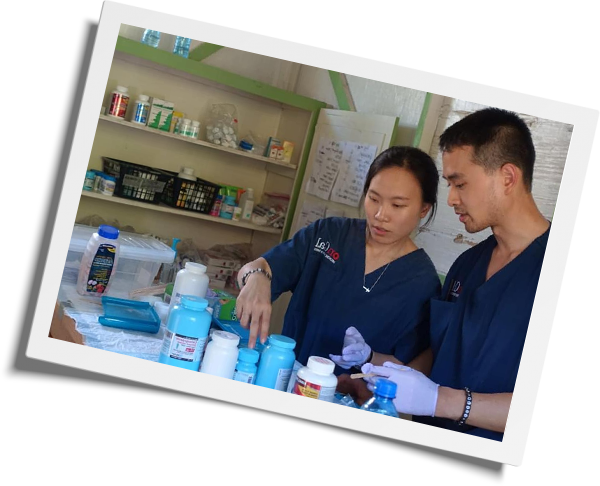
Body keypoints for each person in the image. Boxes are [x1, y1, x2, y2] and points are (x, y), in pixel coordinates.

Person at [335, 107, 574, 442]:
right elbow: (441, 357)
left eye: (460, 183)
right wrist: (379, 378)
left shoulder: (562, 268)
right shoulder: (467, 265)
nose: (450, 199)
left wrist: (444, 402)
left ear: (507, 177)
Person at [235, 146, 442, 374]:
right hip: (287, 376)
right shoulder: (329, 233)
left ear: (424, 209)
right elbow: (262, 266)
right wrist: (256, 277)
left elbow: (404, 364)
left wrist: (369, 357)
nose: (381, 215)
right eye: (373, 199)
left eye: (397, 205)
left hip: (346, 399)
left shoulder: (422, 282)